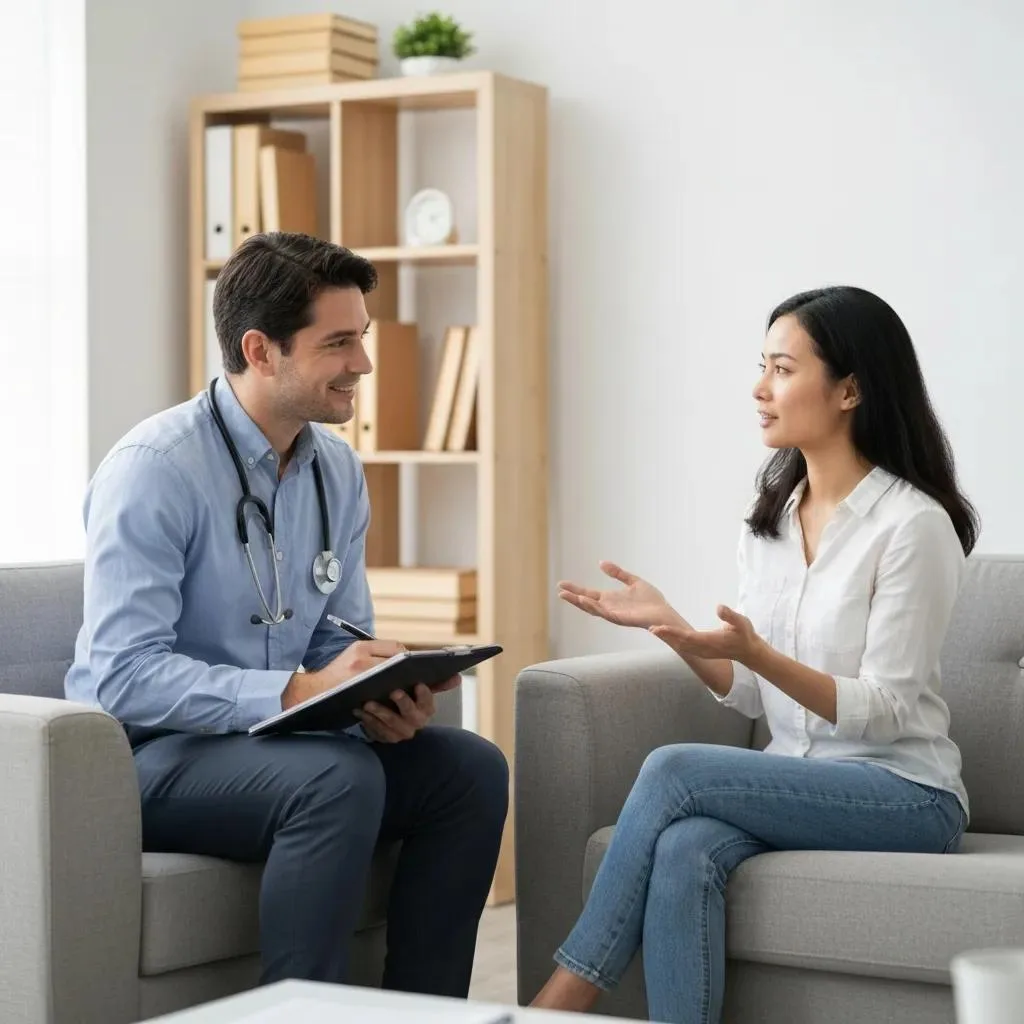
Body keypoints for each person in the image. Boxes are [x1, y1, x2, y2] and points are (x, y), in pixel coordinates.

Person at [65, 231, 509, 995]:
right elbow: (123, 677)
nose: (363, 364)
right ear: (260, 351)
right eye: (338, 343)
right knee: (335, 778)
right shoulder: (154, 471)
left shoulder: (335, 469)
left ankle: (424, 1012)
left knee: (469, 770)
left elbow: (335, 632)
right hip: (148, 756)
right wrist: (299, 691)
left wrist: (376, 693)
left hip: (279, 742)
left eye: (361, 337)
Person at [530, 286, 979, 1023]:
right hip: (797, 776)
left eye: (782, 368)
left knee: (673, 769)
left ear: (850, 390)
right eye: (762, 365)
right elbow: (749, 691)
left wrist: (762, 656)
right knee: (685, 849)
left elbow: (888, 711)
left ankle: (563, 998)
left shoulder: (911, 525)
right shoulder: (768, 521)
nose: (759, 388)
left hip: (905, 793)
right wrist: (670, 625)